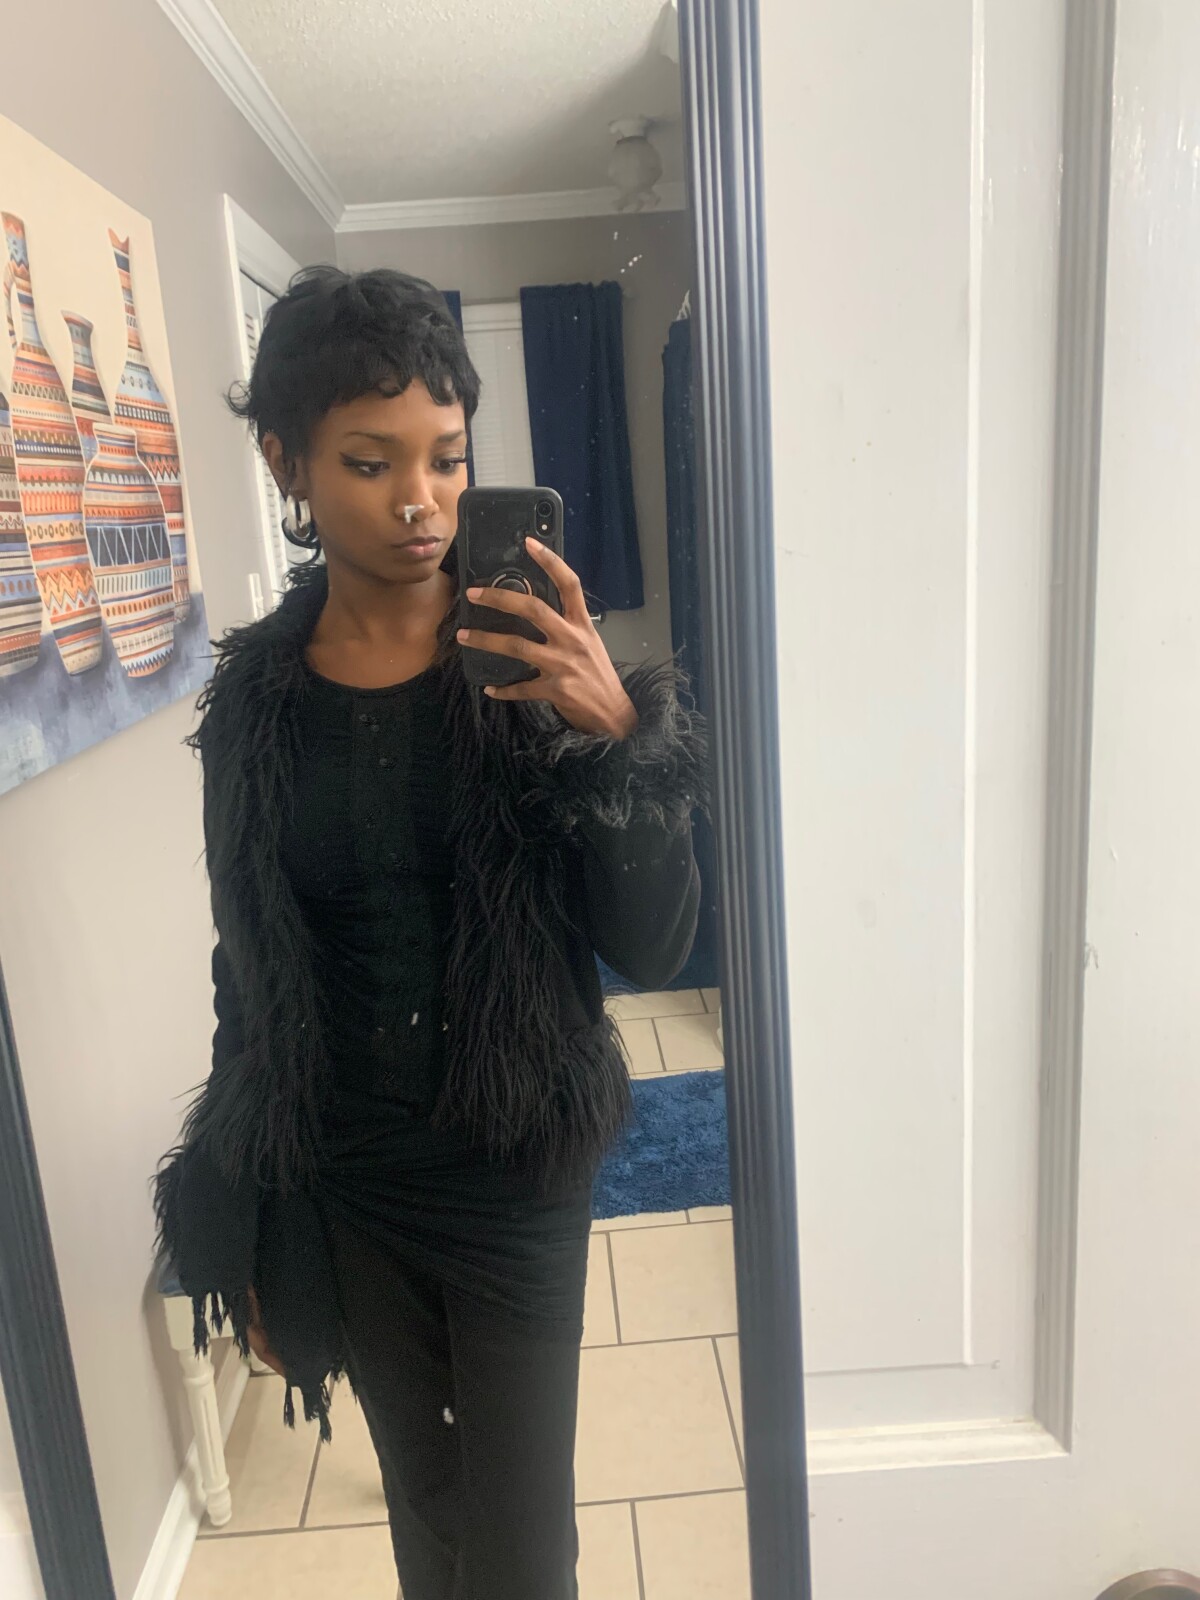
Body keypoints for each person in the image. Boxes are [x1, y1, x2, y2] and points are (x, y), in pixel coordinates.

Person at [153, 266, 705, 1599]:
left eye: (447, 458)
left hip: (517, 1170)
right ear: (285, 462)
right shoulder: (255, 710)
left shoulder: (538, 676)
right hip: (353, 1176)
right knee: (429, 1513)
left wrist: (616, 742)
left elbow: (656, 949)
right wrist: (253, 1209)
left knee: (520, 1550)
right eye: (369, 461)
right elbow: (250, 973)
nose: (421, 500)